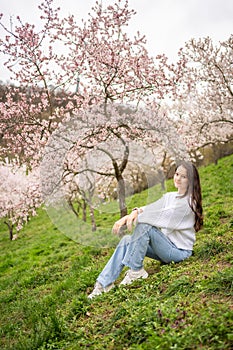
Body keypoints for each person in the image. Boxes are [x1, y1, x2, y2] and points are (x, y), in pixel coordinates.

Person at [88, 161, 203, 299]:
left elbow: (158, 216)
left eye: (183, 176)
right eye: (177, 174)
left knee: (145, 226)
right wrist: (134, 212)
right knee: (126, 240)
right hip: (165, 248)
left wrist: (129, 218)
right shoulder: (170, 197)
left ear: (191, 180)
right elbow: (151, 208)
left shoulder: (188, 204)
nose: (178, 178)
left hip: (179, 253)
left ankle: (136, 271)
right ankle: (103, 283)